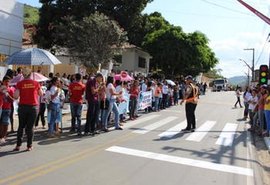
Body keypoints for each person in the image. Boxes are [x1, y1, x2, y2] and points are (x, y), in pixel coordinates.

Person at [13, 68, 42, 151]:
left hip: (22, 107)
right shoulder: (36, 83)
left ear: (22, 74)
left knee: (21, 126)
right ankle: (29, 146)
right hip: (33, 107)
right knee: (30, 127)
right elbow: (41, 94)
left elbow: (15, 96)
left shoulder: (19, 83)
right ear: (30, 74)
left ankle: (18, 145)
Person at [0, 76, 14, 144]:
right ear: (3, 81)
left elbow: (12, 100)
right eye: (6, 81)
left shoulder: (10, 89)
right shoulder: (0, 88)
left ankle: (3, 137)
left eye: (8, 81)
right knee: (1, 124)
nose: (7, 83)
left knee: (5, 123)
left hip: (7, 109)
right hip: (0, 108)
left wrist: (7, 95)